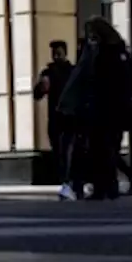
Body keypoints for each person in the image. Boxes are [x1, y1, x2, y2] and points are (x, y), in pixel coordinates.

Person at [60, 16, 132, 200]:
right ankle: (109, 187)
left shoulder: (100, 54)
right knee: (108, 149)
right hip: (115, 110)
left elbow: (91, 79)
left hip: (102, 109)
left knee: (100, 149)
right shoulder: (120, 52)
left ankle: (103, 187)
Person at [35, 40, 78, 200]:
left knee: (68, 150)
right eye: (54, 53)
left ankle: (68, 181)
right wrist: (41, 87)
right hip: (55, 117)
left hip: (70, 117)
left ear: (65, 53)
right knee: (58, 151)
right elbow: (37, 95)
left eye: (59, 52)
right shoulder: (48, 72)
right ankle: (66, 180)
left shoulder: (72, 71)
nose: (56, 56)